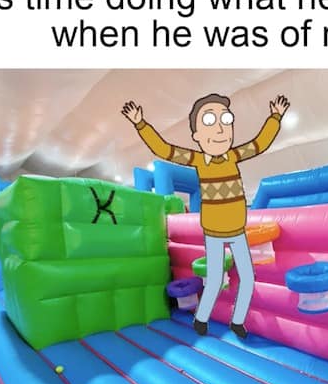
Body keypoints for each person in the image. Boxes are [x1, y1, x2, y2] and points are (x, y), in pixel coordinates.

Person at [122, 93, 290, 337]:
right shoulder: (199, 160)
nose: (220, 128)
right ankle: (201, 318)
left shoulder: (234, 156)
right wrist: (141, 124)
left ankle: (238, 321)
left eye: (226, 120)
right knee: (214, 279)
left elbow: (259, 143)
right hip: (214, 233)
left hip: (237, 231)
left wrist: (275, 117)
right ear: (197, 136)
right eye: (210, 121)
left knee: (247, 277)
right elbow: (165, 149)